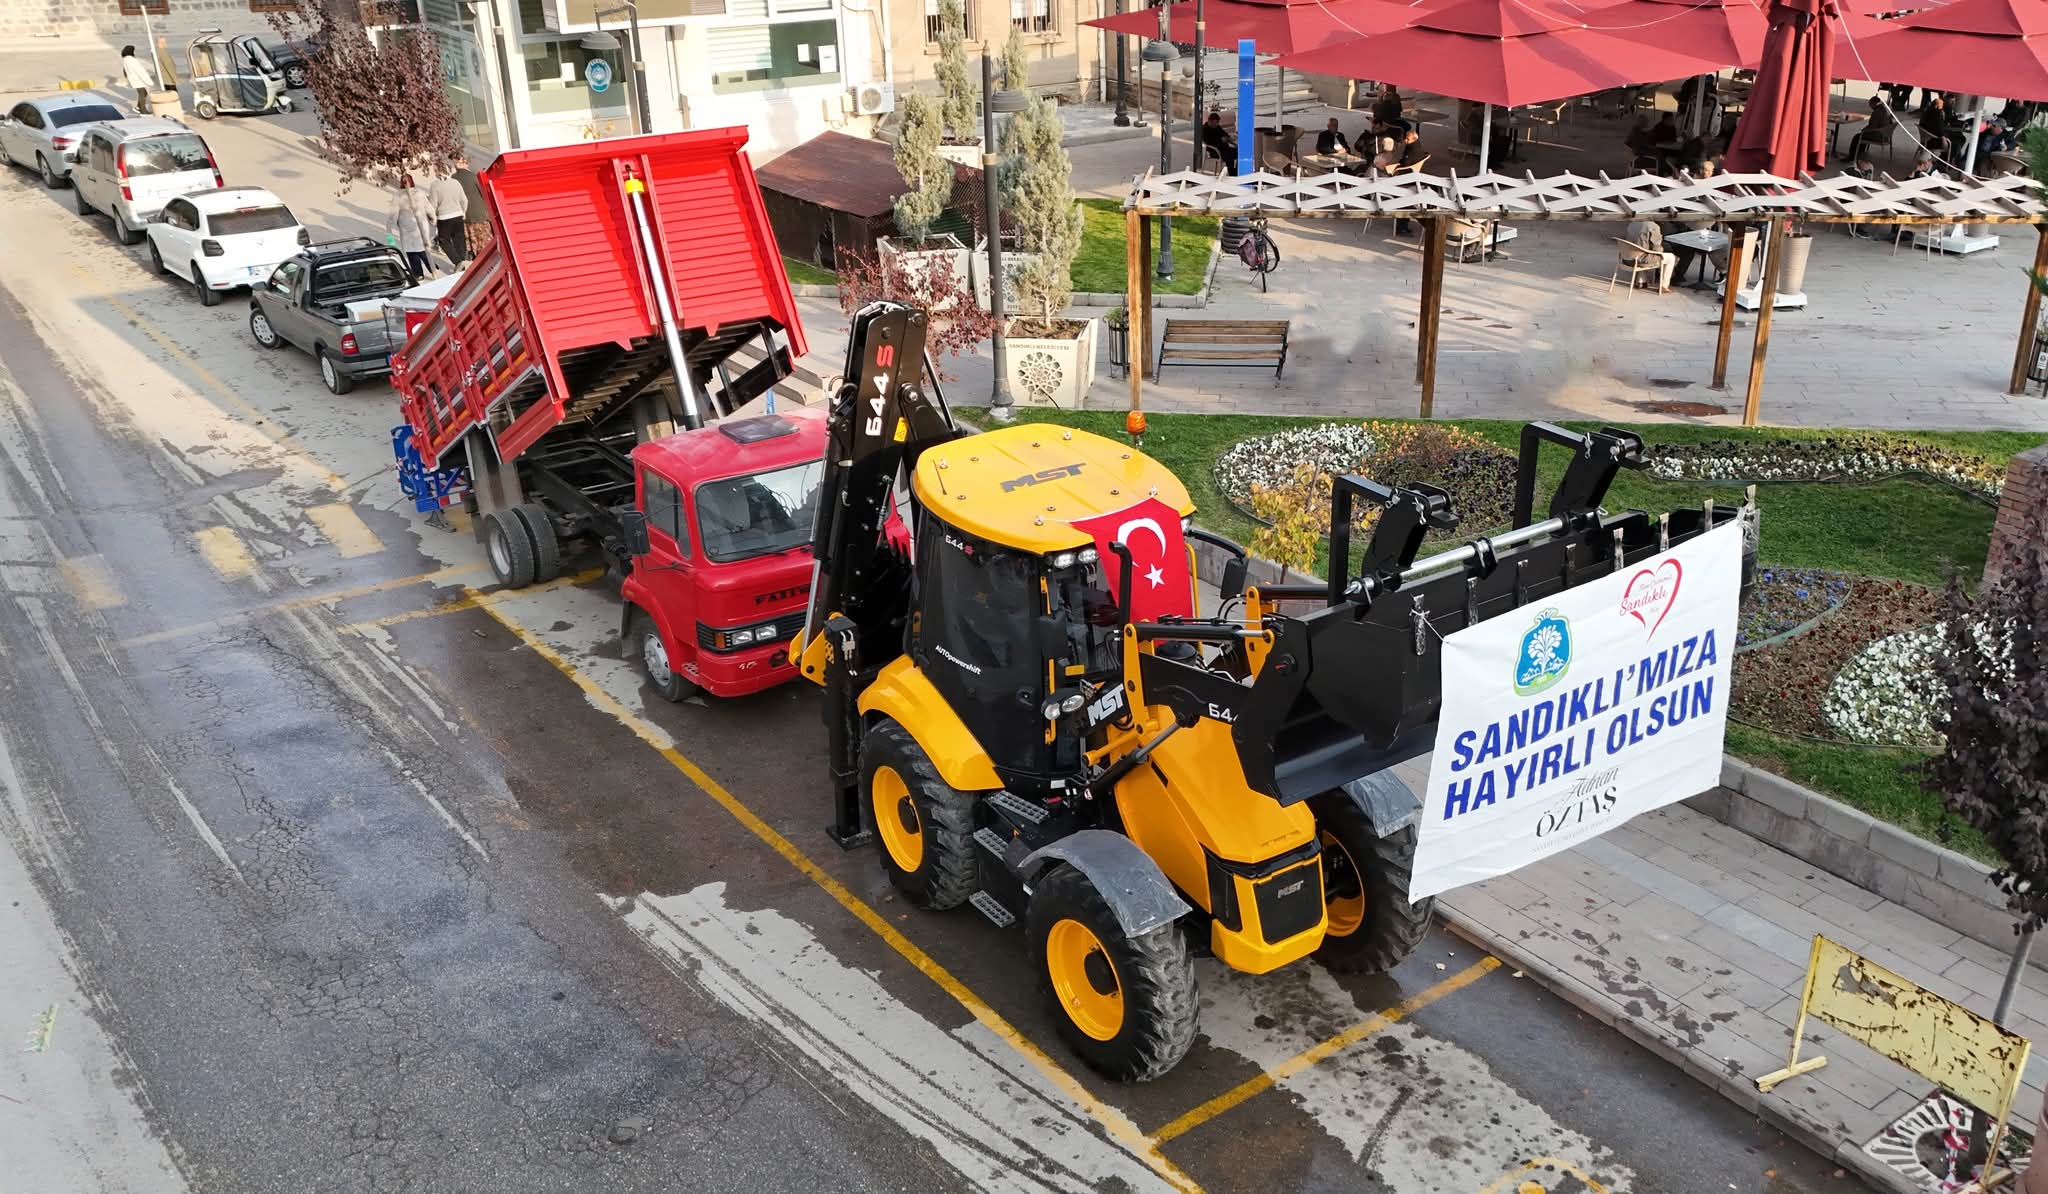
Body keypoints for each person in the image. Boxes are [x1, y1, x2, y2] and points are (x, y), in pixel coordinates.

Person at [386, 174, 436, 284]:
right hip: (421, 225)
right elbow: (428, 207)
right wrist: (433, 218)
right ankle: (432, 269)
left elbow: (393, 215)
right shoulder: (420, 193)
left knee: (411, 251)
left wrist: (391, 232)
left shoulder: (398, 196)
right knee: (423, 248)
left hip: (406, 226)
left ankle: (418, 273)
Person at [428, 170, 470, 266]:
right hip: (458, 214)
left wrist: (433, 218)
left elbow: (433, 205)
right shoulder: (455, 182)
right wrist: (463, 212)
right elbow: (464, 200)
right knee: (459, 240)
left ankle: (458, 262)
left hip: (444, 217)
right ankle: (463, 260)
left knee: (444, 241)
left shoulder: (435, 185)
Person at [1623, 217, 1675, 291]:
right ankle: (1664, 286)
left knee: (1640, 251)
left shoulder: (1632, 224)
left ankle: (1641, 281)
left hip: (1627, 258)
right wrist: (1663, 249)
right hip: (1640, 260)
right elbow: (1656, 248)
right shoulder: (1652, 226)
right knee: (1671, 257)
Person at [1846, 94, 1897, 162]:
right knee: (1863, 135)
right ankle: (1860, 155)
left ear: (1874, 104)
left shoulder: (1877, 112)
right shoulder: (1886, 109)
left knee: (1857, 137)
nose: (1870, 106)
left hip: (1879, 135)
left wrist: (1863, 130)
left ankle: (1851, 157)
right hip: (1886, 135)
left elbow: (1872, 126)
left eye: (1870, 104)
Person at [120, 45, 155, 111]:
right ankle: (143, 110)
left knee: (144, 93)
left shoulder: (125, 59)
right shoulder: (131, 60)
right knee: (142, 94)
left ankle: (138, 107)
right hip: (137, 79)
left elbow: (124, 70)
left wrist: (127, 77)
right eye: (133, 50)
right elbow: (139, 71)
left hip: (134, 79)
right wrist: (148, 81)